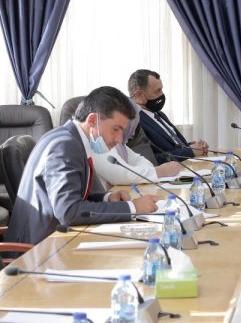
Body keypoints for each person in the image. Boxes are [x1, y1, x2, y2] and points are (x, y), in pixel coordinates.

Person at [6, 86, 159, 244]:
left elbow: (76, 195)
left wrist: (107, 198)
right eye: (116, 129)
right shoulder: (64, 145)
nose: (120, 138)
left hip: (55, 237)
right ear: (92, 120)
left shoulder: (72, 138)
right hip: (38, 247)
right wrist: (132, 208)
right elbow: (68, 211)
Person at [91, 99, 184, 186]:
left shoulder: (121, 145)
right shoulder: (98, 141)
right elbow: (119, 174)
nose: (133, 133)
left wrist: (152, 172)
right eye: (131, 127)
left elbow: (141, 161)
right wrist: (159, 171)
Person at [128, 69, 209, 163]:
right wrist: (190, 152)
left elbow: (172, 147)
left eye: (161, 89)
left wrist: (193, 147)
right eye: (157, 91)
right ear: (139, 95)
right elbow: (150, 160)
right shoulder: (134, 122)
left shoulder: (159, 114)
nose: (162, 94)